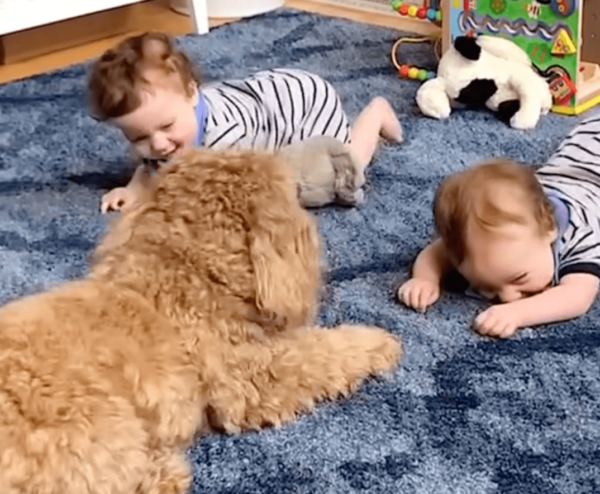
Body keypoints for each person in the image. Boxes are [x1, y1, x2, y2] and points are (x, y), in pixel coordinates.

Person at [87, 32, 403, 213]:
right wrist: (134, 189)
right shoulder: (163, 131)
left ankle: (374, 115)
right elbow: (151, 166)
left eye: (167, 127)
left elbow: (244, 191)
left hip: (304, 104)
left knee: (344, 169)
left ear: (191, 93)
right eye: (138, 137)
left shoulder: (228, 137)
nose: (156, 144)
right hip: (263, 97)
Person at [398, 117, 600, 338]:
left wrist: (518, 314)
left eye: (519, 278)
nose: (508, 298)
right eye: (487, 288)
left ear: (549, 229)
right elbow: (436, 253)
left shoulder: (581, 233)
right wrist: (424, 279)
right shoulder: (479, 243)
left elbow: (577, 296)